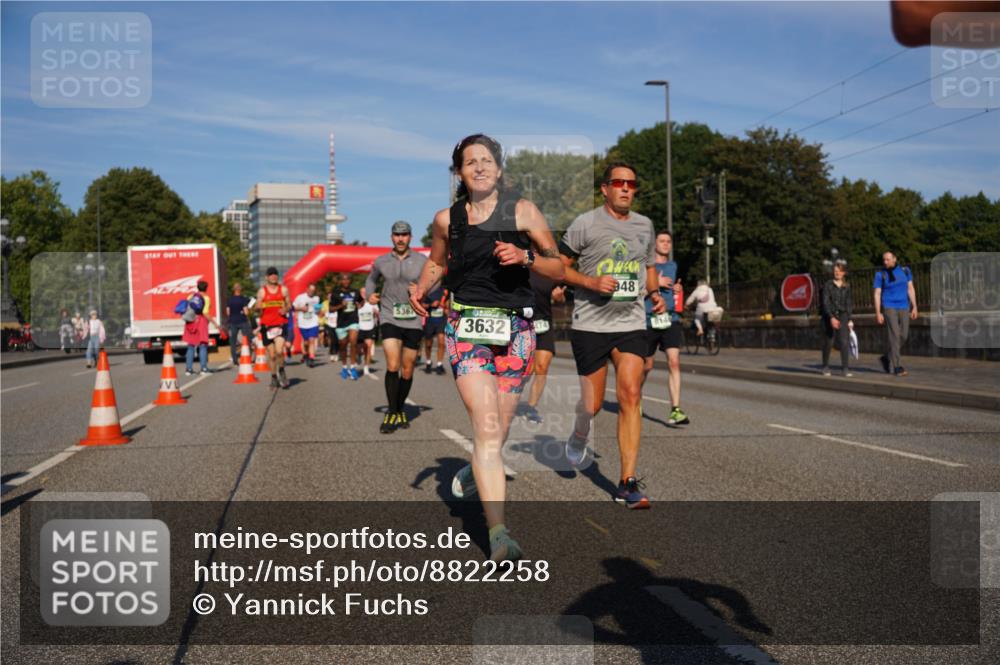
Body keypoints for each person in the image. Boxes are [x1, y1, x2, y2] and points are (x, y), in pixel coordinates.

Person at [411, 133, 563, 561]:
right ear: (459, 172)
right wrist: (422, 286)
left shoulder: (523, 212)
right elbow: (438, 262)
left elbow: (559, 266)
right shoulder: (448, 219)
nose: (479, 167)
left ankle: (477, 465)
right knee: (486, 425)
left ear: (499, 168)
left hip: (516, 328)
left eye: (486, 160)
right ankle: (499, 534)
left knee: (497, 431)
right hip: (467, 326)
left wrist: (527, 258)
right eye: (469, 161)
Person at [559, 161, 666, 509]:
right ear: (604, 188)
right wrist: (588, 283)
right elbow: (559, 265)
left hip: (630, 321)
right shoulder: (585, 224)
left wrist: (653, 295)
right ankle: (579, 433)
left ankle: (626, 483)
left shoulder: (644, 226)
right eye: (618, 182)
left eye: (631, 184)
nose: (625, 188)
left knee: (631, 394)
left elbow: (648, 266)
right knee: (590, 406)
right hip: (590, 323)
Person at [365, 221, 428, 433]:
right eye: (397, 235)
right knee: (393, 364)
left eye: (405, 235)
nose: (400, 238)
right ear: (391, 237)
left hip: (413, 318)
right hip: (389, 315)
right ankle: (392, 412)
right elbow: (371, 280)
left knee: (408, 369)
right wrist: (369, 295)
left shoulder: (421, 260)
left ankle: (400, 408)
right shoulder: (381, 261)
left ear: (410, 237)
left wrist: (422, 289)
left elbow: (436, 281)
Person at [642, 230, 689, 425]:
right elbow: (635, 291)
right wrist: (655, 283)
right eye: (662, 241)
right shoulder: (646, 267)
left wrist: (677, 290)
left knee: (674, 362)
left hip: (670, 319)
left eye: (668, 241)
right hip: (648, 319)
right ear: (655, 245)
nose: (666, 244)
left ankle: (675, 409)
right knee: (647, 365)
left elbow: (675, 289)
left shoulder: (673, 265)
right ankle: (633, 397)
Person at [519, 272, 565, 423]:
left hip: (544, 324)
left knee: (542, 367)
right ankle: (510, 397)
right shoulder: (520, 266)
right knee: (525, 370)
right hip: (522, 324)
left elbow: (560, 299)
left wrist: (559, 298)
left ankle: (531, 408)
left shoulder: (550, 271)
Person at [874, 251, 918, 377]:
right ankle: (897, 366)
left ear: (894, 259)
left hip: (904, 306)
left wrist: (915, 306)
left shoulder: (905, 271)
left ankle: (886, 358)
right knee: (894, 335)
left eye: (888, 259)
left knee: (903, 335)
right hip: (889, 307)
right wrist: (878, 312)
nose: (885, 262)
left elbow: (910, 288)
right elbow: (877, 293)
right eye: (884, 260)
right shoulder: (880, 274)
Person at [255, 266, 291, 388]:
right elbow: (258, 306)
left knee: (280, 351)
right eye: (271, 274)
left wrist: (285, 309)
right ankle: (273, 377)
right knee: (272, 355)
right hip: (267, 326)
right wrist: (258, 308)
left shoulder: (284, 290)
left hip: (280, 324)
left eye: (275, 274)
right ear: (266, 277)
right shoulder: (262, 291)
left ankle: (281, 370)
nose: (274, 276)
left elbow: (289, 304)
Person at [821, 260, 854, 377]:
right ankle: (825, 366)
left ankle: (845, 368)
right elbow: (825, 302)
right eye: (835, 271)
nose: (837, 273)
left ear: (844, 273)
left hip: (843, 315)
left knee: (844, 342)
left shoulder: (847, 286)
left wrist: (850, 319)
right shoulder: (828, 285)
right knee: (829, 342)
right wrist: (831, 317)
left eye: (839, 271)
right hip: (830, 316)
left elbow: (849, 303)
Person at [182, 280, 221, 376]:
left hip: (190, 321)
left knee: (191, 346)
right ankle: (203, 368)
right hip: (201, 322)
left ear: (197, 287)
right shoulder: (206, 298)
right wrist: (215, 323)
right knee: (203, 345)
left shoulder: (191, 296)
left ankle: (188, 369)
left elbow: (187, 308)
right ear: (206, 288)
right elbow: (205, 312)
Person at [330, 273, 363, 380]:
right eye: (343, 279)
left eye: (348, 279)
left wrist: (360, 305)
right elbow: (330, 309)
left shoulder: (356, 292)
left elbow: (361, 301)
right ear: (340, 281)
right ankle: (344, 367)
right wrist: (341, 305)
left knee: (353, 342)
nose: (346, 281)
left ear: (350, 281)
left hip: (353, 320)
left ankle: (353, 367)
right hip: (341, 323)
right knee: (343, 346)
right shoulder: (335, 293)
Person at [421, 286, 449, 375]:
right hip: (430, 320)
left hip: (441, 320)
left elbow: (448, 305)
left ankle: (439, 364)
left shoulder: (445, 291)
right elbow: (421, 304)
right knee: (428, 344)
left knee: (441, 342)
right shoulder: (427, 290)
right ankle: (428, 362)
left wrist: (445, 307)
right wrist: (431, 305)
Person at [293, 283, 321, 368]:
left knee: (312, 340)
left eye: (313, 290)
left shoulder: (317, 298)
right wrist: (301, 309)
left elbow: (318, 309)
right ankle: (306, 353)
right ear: (306, 289)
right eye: (310, 290)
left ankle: (311, 358)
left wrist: (319, 311)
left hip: (313, 322)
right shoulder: (300, 297)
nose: (312, 292)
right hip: (303, 323)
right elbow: (293, 307)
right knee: (306, 342)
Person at [226, 283, 253, 365]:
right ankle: (248, 357)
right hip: (242, 321)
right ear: (240, 290)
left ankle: (235, 360)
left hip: (232, 322)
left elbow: (228, 312)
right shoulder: (243, 299)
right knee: (247, 340)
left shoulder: (230, 300)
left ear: (234, 290)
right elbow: (246, 312)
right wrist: (248, 310)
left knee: (233, 342)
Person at [357, 297, 378, 375]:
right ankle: (359, 355)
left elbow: (378, 315)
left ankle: (366, 367)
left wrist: (376, 312)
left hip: (370, 328)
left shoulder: (372, 305)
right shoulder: (357, 305)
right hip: (360, 329)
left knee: (368, 348)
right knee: (359, 349)